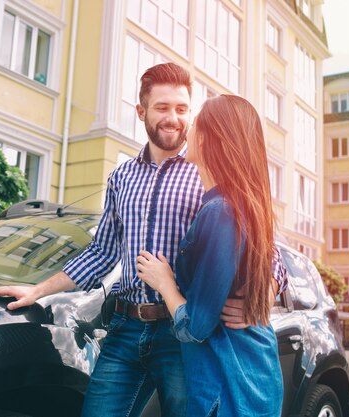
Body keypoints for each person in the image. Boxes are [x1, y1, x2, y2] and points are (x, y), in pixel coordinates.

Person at [0, 63, 286, 417]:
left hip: (183, 336)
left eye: (182, 109)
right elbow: (101, 252)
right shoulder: (121, 177)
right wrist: (36, 290)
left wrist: (266, 292)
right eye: (162, 107)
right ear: (141, 111)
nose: (174, 118)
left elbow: (264, 249)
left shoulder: (209, 172)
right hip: (126, 328)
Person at [136, 94, 284, 416]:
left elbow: (195, 328)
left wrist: (166, 284)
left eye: (196, 122)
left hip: (226, 390)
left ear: (212, 138)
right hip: (255, 382)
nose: (187, 129)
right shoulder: (243, 206)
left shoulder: (221, 212)